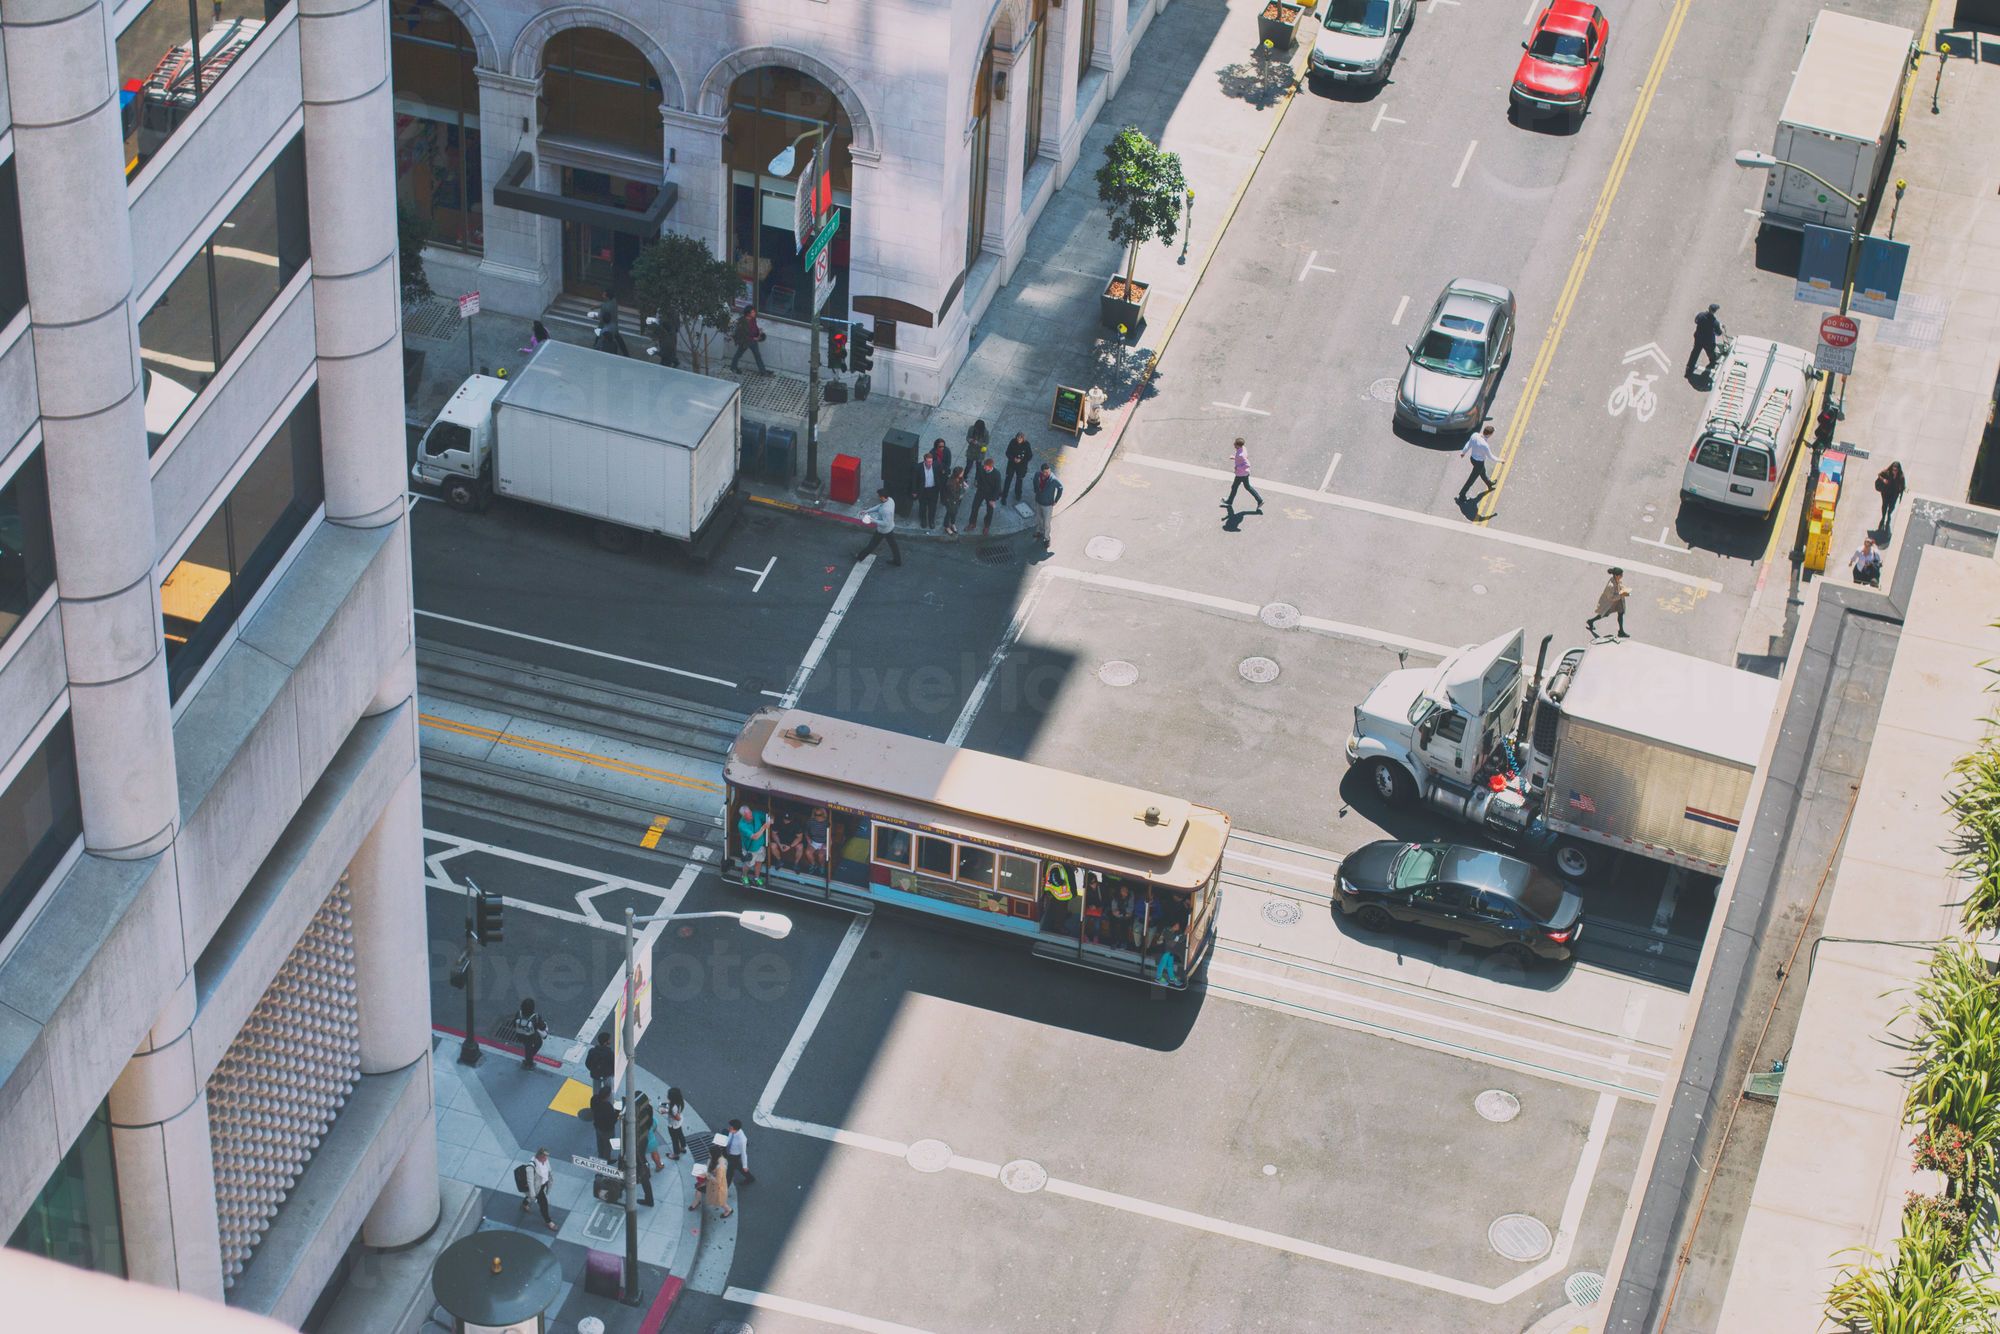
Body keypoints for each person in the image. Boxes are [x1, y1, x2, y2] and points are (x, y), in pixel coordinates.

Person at [855, 487, 903, 565]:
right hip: (890, 528)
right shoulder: (890, 500)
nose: (878, 497)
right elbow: (879, 506)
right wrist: (867, 511)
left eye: (879, 496)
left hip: (883, 530)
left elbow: (885, 523)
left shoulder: (886, 510)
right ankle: (897, 561)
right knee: (893, 545)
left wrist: (872, 520)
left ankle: (860, 557)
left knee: (872, 545)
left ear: (883, 497)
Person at [517, 1148, 557, 1231]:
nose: (546, 1159)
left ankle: (525, 1203)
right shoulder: (531, 1167)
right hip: (536, 1188)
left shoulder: (545, 1161)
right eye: (545, 1157)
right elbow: (530, 1182)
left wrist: (549, 1182)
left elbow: (549, 1171)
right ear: (539, 1156)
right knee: (543, 1204)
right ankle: (548, 1221)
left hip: (543, 1184)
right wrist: (532, 1194)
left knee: (530, 1197)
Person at [1586, 567, 1630, 639]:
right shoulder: (1611, 586)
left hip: (1617, 601)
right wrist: (1622, 594)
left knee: (1620, 613)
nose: (1622, 576)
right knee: (1603, 614)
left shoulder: (1616, 580)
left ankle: (1621, 631)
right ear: (1616, 575)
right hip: (1610, 603)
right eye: (1621, 575)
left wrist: (1623, 591)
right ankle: (1591, 621)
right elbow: (1611, 598)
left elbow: (1619, 587)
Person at [690, 1143, 731, 1218]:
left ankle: (729, 1210)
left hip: (715, 1186)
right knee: (698, 1189)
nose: (708, 1153)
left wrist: (707, 1175)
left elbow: (718, 1181)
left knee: (719, 1200)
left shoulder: (720, 1167)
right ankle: (696, 1202)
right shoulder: (714, 1159)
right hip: (709, 1182)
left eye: (710, 1153)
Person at [1458, 425, 1498, 501]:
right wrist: (1501, 460)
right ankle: (1462, 495)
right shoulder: (1485, 445)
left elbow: (1468, 444)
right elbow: (1491, 457)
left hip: (1473, 459)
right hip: (1479, 463)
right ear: (1489, 435)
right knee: (1471, 479)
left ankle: (1489, 484)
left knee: (1483, 472)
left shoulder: (1475, 435)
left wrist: (1463, 452)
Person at [1224, 438, 1264, 513]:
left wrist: (1238, 467)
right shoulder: (1243, 449)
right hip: (1245, 473)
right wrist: (1235, 458)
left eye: (1235, 444)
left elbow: (1247, 464)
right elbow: (1243, 459)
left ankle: (1229, 501)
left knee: (1234, 487)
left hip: (1241, 474)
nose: (1234, 445)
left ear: (1238, 446)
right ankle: (1259, 500)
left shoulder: (1240, 454)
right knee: (1247, 487)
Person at [1687, 303, 1724, 377]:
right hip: (1708, 341)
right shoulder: (1714, 322)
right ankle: (1712, 363)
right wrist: (1721, 328)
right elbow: (1718, 333)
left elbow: (1696, 321)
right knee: (1710, 353)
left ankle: (1690, 367)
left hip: (1699, 338)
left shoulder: (1701, 315)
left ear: (1708, 308)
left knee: (1695, 352)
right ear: (1714, 311)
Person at [730, 306, 770, 375]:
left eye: (754, 311)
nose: (754, 313)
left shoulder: (753, 319)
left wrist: (758, 332)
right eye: (752, 312)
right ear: (748, 314)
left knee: (757, 355)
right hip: (745, 342)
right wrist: (753, 338)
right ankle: (733, 367)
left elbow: (754, 327)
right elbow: (742, 335)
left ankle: (763, 371)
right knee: (738, 354)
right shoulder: (742, 322)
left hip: (753, 340)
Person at [511, 997, 548, 1069]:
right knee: (539, 1043)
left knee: (528, 1047)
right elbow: (542, 1027)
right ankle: (529, 1062)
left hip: (520, 1035)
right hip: (531, 1037)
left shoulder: (519, 1013)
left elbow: (514, 1024)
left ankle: (528, 1059)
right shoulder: (535, 1016)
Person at [737, 805, 770, 884]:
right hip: (751, 850)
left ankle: (756, 878)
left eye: (751, 813)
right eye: (749, 815)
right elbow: (755, 837)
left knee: (759, 862)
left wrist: (771, 818)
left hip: (760, 847)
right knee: (748, 864)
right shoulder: (742, 825)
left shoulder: (755, 814)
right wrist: (764, 827)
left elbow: (768, 817)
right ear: (743, 816)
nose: (752, 815)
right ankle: (744, 877)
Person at [1032, 462, 1064, 546]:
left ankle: (1047, 538)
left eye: (1048, 471)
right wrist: (1035, 490)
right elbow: (1035, 481)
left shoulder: (1053, 479)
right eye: (1045, 472)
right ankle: (1039, 531)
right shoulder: (1037, 475)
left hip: (1048, 504)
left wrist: (1056, 500)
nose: (1047, 473)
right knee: (1039, 518)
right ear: (1041, 471)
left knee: (1046, 522)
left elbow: (1060, 488)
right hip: (1038, 501)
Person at [917, 441, 945, 531]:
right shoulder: (919, 467)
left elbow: (941, 475)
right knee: (923, 506)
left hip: (933, 490)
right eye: (928, 462)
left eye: (931, 462)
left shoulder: (936, 465)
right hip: (923, 490)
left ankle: (931, 521)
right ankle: (923, 520)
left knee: (932, 507)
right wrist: (914, 491)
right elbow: (915, 479)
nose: (929, 464)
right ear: (924, 461)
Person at [971, 458, 1003, 534]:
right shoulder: (982, 469)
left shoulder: (997, 474)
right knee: (974, 507)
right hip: (981, 491)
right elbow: (978, 476)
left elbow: (997, 488)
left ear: (990, 467)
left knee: (989, 511)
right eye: (984, 466)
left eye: (986, 467)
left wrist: (993, 499)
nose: (984, 468)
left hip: (990, 494)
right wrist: (977, 482)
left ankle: (987, 526)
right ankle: (972, 523)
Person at [1004, 432, 1035, 504]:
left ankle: (1018, 495)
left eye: (1020, 438)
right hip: (1012, 464)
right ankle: (1004, 496)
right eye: (1018, 437)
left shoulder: (1026, 444)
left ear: (1023, 438)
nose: (1019, 439)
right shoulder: (1013, 442)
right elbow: (1007, 452)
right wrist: (1013, 458)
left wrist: (1021, 460)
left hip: (1021, 466)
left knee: (1019, 480)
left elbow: (1029, 456)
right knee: (1008, 479)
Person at [770, 806, 803, 872]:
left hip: (791, 841)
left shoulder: (796, 823)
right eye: (785, 819)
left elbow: (799, 837)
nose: (786, 821)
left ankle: (796, 864)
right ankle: (779, 861)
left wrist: (790, 846)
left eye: (788, 819)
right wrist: (779, 844)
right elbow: (774, 834)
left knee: (800, 846)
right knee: (772, 845)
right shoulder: (778, 820)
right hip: (780, 839)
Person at [1875, 461, 1906, 532]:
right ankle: (1883, 517)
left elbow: (1903, 486)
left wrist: (1901, 495)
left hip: (1894, 494)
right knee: (1884, 506)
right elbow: (1879, 475)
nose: (1894, 471)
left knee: (1892, 507)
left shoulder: (1901, 476)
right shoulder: (1887, 472)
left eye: (1896, 470)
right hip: (1886, 492)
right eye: (1893, 469)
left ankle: (1889, 516)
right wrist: (1884, 480)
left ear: (1898, 470)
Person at [590, 1090, 619, 1161]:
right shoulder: (608, 1107)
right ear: (607, 1096)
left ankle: (600, 1156)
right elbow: (612, 1120)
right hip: (607, 1130)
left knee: (600, 1143)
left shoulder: (594, 1099)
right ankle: (606, 1160)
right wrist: (617, 1113)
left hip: (598, 1127)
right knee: (607, 1146)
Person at [726, 1119, 756, 1186]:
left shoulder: (742, 1140)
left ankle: (725, 1187)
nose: (729, 1128)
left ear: (736, 1129)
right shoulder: (732, 1132)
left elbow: (744, 1154)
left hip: (734, 1156)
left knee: (730, 1172)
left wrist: (745, 1166)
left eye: (730, 1128)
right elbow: (729, 1138)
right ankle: (750, 1178)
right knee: (739, 1166)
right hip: (729, 1152)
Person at [585, 1030, 615, 1097]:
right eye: (609, 1039)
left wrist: (594, 1070)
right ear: (605, 1042)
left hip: (596, 1075)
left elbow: (587, 1063)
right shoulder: (610, 1053)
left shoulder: (592, 1051)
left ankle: (596, 1104)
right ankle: (609, 1105)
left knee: (596, 1092)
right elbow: (613, 1065)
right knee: (609, 1092)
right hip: (607, 1075)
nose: (610, 1040)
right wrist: (612, 1073)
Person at [940, 466, 967, 537]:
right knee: (949, 512)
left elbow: (962, 480)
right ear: (958, 474)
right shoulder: (950, 483)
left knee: (955, 511)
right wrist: (963, 490)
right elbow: (953, 494)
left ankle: (953, 523)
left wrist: (964, 483)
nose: (963, 474)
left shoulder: (960, 478)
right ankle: (946, 526)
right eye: (962, 473)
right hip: (951, 500)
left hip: (957, 499)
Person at [664, 1087, 688, 1160]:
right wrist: (667, 1103)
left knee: (674, 1140)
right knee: (680, 1135)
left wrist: (666, 1112)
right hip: (678, 1125)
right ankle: (683, 1147)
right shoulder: (680, 1102)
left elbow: (677, 1118)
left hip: (673, 1125)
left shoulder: (673, 1108)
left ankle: (676, 1154)